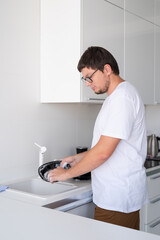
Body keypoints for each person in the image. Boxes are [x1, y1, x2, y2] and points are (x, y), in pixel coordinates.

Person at [48, 46, 148, 230]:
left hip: (117, 199)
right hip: (114, 197)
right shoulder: (115, 97)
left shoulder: (122, 98)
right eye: (84, 79)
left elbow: (103, 153)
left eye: (89, 77)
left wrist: (67, 174)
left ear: (107, 69)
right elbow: (105, 145)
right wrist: (78, 158)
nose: (87, 83)